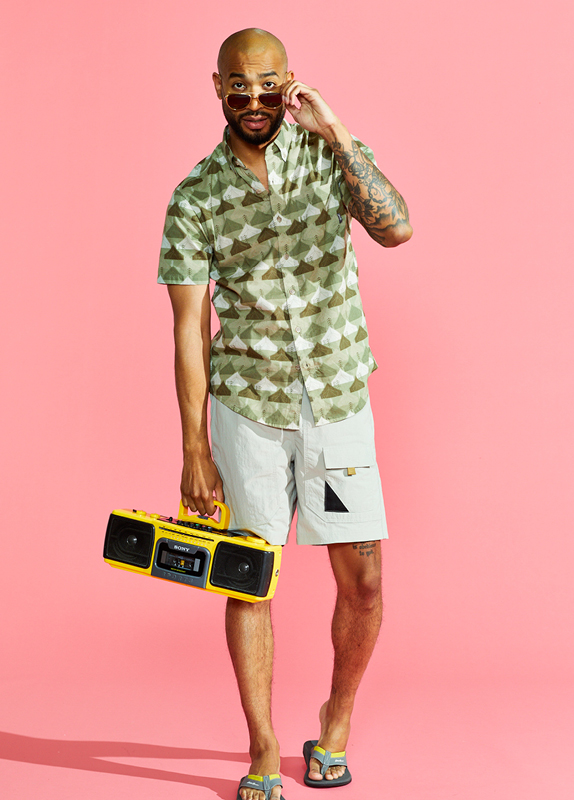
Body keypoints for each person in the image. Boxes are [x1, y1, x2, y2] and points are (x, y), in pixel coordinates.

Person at [158, 28, 412, 800]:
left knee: (364, 580)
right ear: (218, 87)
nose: (254, 99)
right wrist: (194, 447)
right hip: (250, 413)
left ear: (289, 82)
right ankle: (264, 744)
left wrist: (335, 129)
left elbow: (397, 227)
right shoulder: (195, 198)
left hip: (336, 408)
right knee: (249, 579)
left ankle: (336, 719)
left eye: (268, 84)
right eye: (239, 85)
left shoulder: (330, 159)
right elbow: (188, 330)